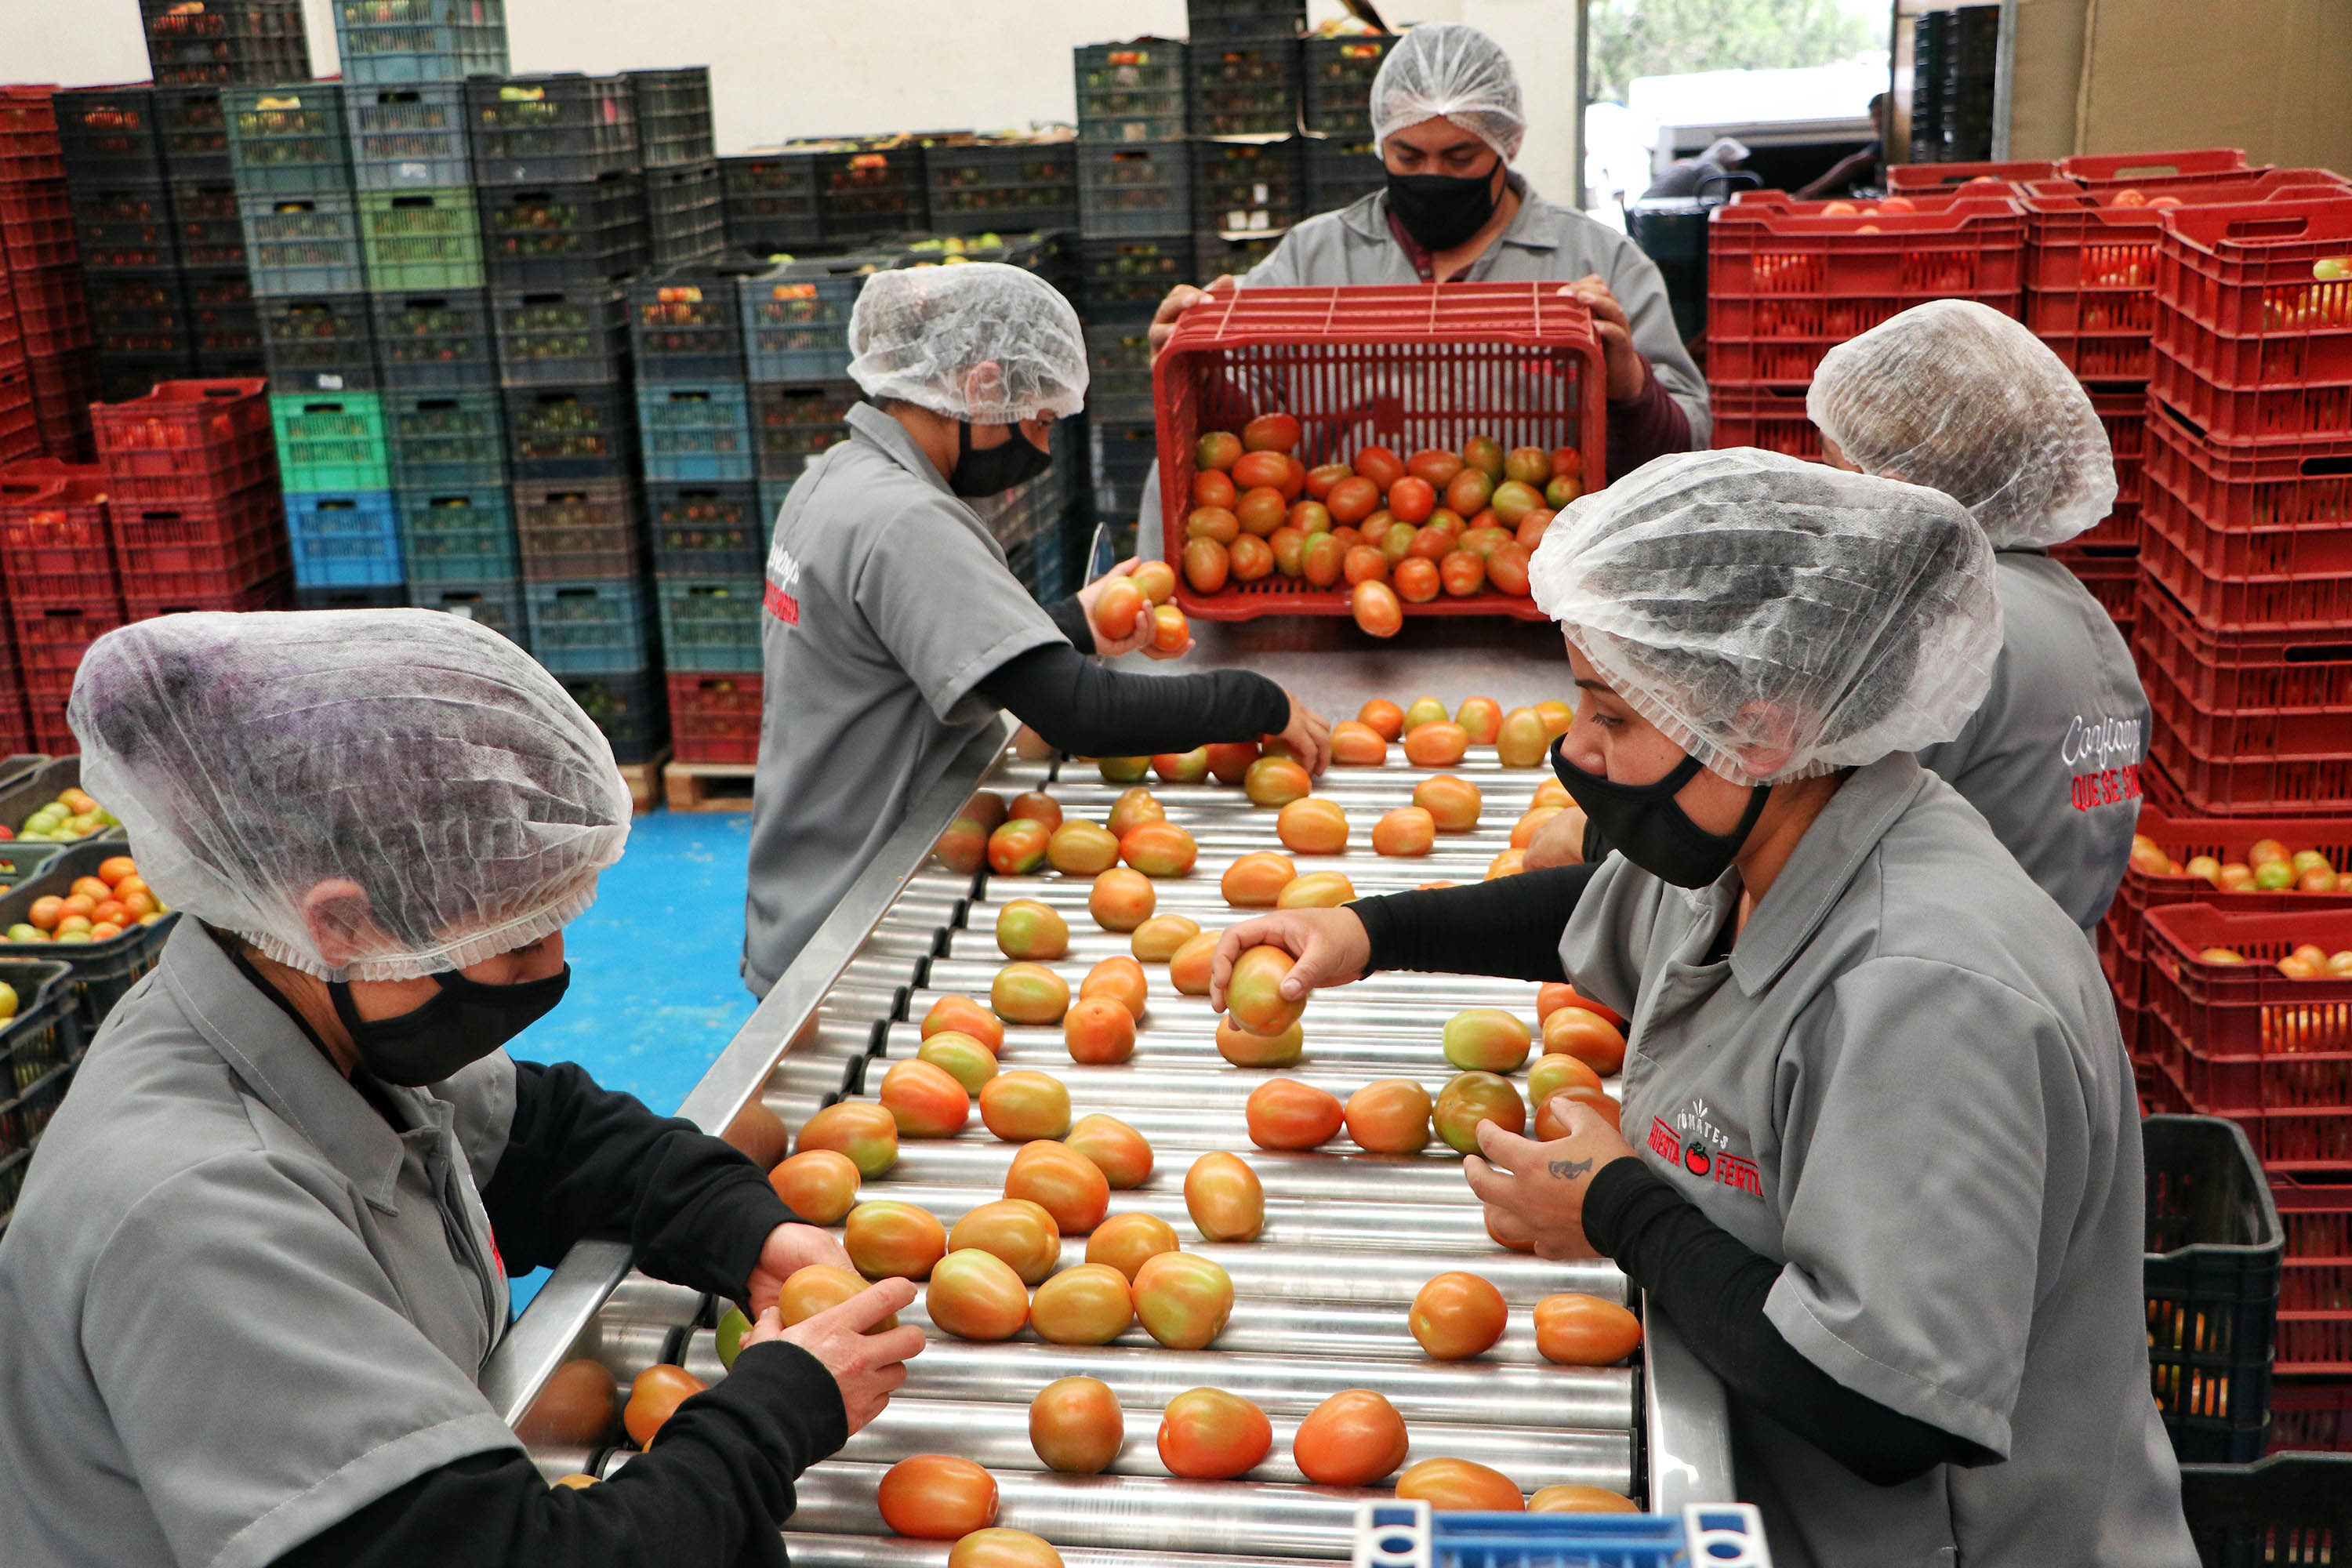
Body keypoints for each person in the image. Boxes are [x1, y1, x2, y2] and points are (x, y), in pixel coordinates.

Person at [1208, 451, 2195, 1568]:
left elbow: (1888, 1406)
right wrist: (1375, 933)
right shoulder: (1775, 835)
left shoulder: (1927, 996)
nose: (1577, 752)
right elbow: (1606, 909)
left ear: (1760, 727)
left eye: (1610, 716)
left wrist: (1618, 1212)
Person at [0, 610, 922, 1567]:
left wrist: (749, 1230)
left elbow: (548, 1137)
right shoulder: (198, 1213)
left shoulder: (309, 1017)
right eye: (515, 938)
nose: (553, 966)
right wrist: (773, 1414)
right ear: (344, 921)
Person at [745, 263, 1329, 995]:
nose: (1045, 451)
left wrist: (1069, 624)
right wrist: (1255, 699)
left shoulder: (836, 478)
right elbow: (1083, 714)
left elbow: (905, 642)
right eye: (1041, 420)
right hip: (860, 918)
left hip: (802, 884)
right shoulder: (908, 519)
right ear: (984, 388)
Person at [1149, 23, 1708, 485]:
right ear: (1380, 142)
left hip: (1539, 586)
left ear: (1505, 143)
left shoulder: (1599, 261)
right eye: (1408, 157)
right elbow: (1237, 435)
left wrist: (1631, 387)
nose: (1433, 176)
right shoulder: (1312, 259)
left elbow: (1688, 449)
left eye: (1460, 156)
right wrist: (1197, 369)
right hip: (1348, 581)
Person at [1808, 299, 2148, 933]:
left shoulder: (1948, 632)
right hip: (2038, 981)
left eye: (1833, 467)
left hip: (1938, 990)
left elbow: (1809, 852)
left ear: (1896, 488)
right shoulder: (2076, 613)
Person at [1794, 94, 1888, 199]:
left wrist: (1811, 191)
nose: (1877, 121)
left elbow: (1855, 164)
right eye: (1873, 116)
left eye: (1881, 114)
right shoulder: (1883, 142)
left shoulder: (1892, 141)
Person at [1639, 135, 1750, 201]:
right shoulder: (1712, 170)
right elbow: (1713, 203)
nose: (1738, 165)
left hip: (1643, 206)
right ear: (1730, 159)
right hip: (1655, 210)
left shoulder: (1696, 163)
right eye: (1737, 161)